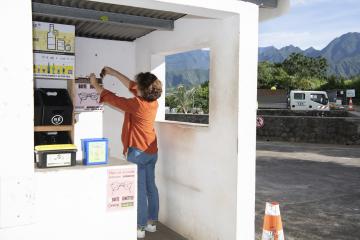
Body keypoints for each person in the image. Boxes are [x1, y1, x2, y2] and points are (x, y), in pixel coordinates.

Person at [90, 67, 162, 239]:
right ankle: (152, 223)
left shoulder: (136, 104)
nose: (134, 86)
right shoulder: (152, 101)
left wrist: (95, 85)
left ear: (142, 90)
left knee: (140, 189)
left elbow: (112, 99)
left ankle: (140, 227)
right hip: (152, 152)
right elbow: (131, 85)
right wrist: (113, 72)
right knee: (151, 187)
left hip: (138, 153)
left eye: (137, 86)